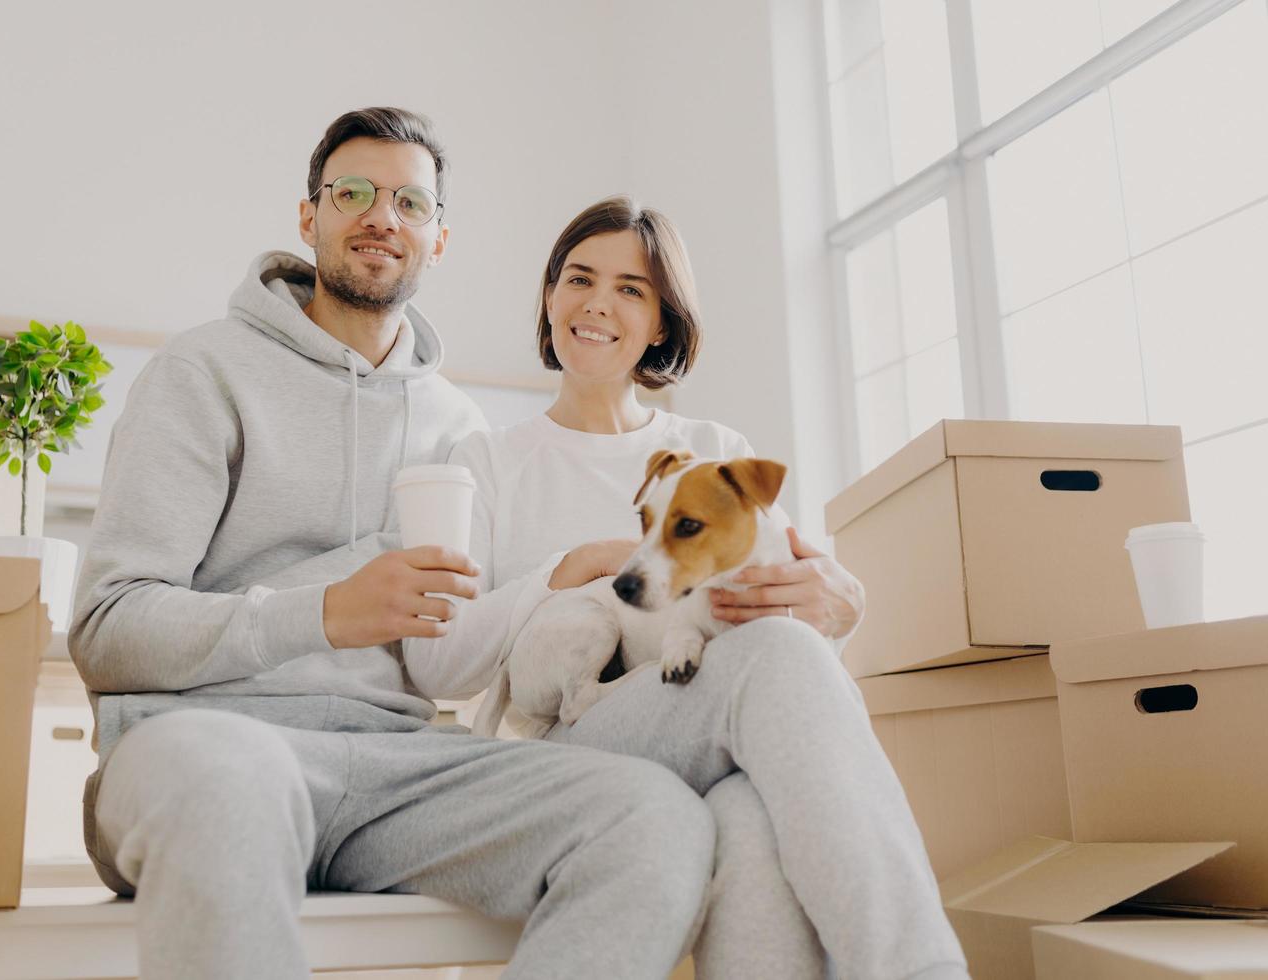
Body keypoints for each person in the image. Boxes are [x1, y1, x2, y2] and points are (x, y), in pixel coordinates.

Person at [69, 110, 719, 980]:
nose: (382, 217)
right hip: (204, 742)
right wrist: (324, 614)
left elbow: (449, 656)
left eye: (409, 201)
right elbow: (107, 630)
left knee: (654, 817)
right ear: (310, 218)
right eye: (353, 193)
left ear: (436, 238)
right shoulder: (201, 372)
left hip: (401, 766)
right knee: (232, 784)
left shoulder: (460, 426)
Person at [403, 197, 970, 979]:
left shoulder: (712, 450)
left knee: (749, 815)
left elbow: (791, 618)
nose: (599, 302)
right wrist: (563, 570)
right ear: (549, 298)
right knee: (770, 669)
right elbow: (439, 668)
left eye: (631, 288)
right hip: (566, 743)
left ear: (663, 322)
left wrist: (839, 606)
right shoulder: (486, 460)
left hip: (704, 713)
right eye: (579, 278)